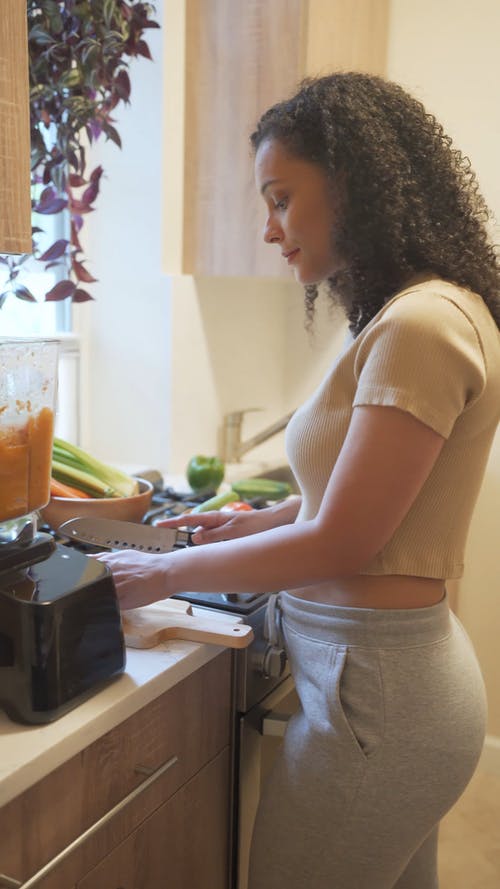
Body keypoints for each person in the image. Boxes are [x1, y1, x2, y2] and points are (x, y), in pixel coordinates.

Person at [94, 73, 500, 888]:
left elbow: (348, 539)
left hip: (379, 703)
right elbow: (367, 499)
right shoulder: (418, 311)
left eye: (281, 198)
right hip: (382, 690)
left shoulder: (421, 323)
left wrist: (162, 571)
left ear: (351, 181)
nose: (271, 228)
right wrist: (267, 516)